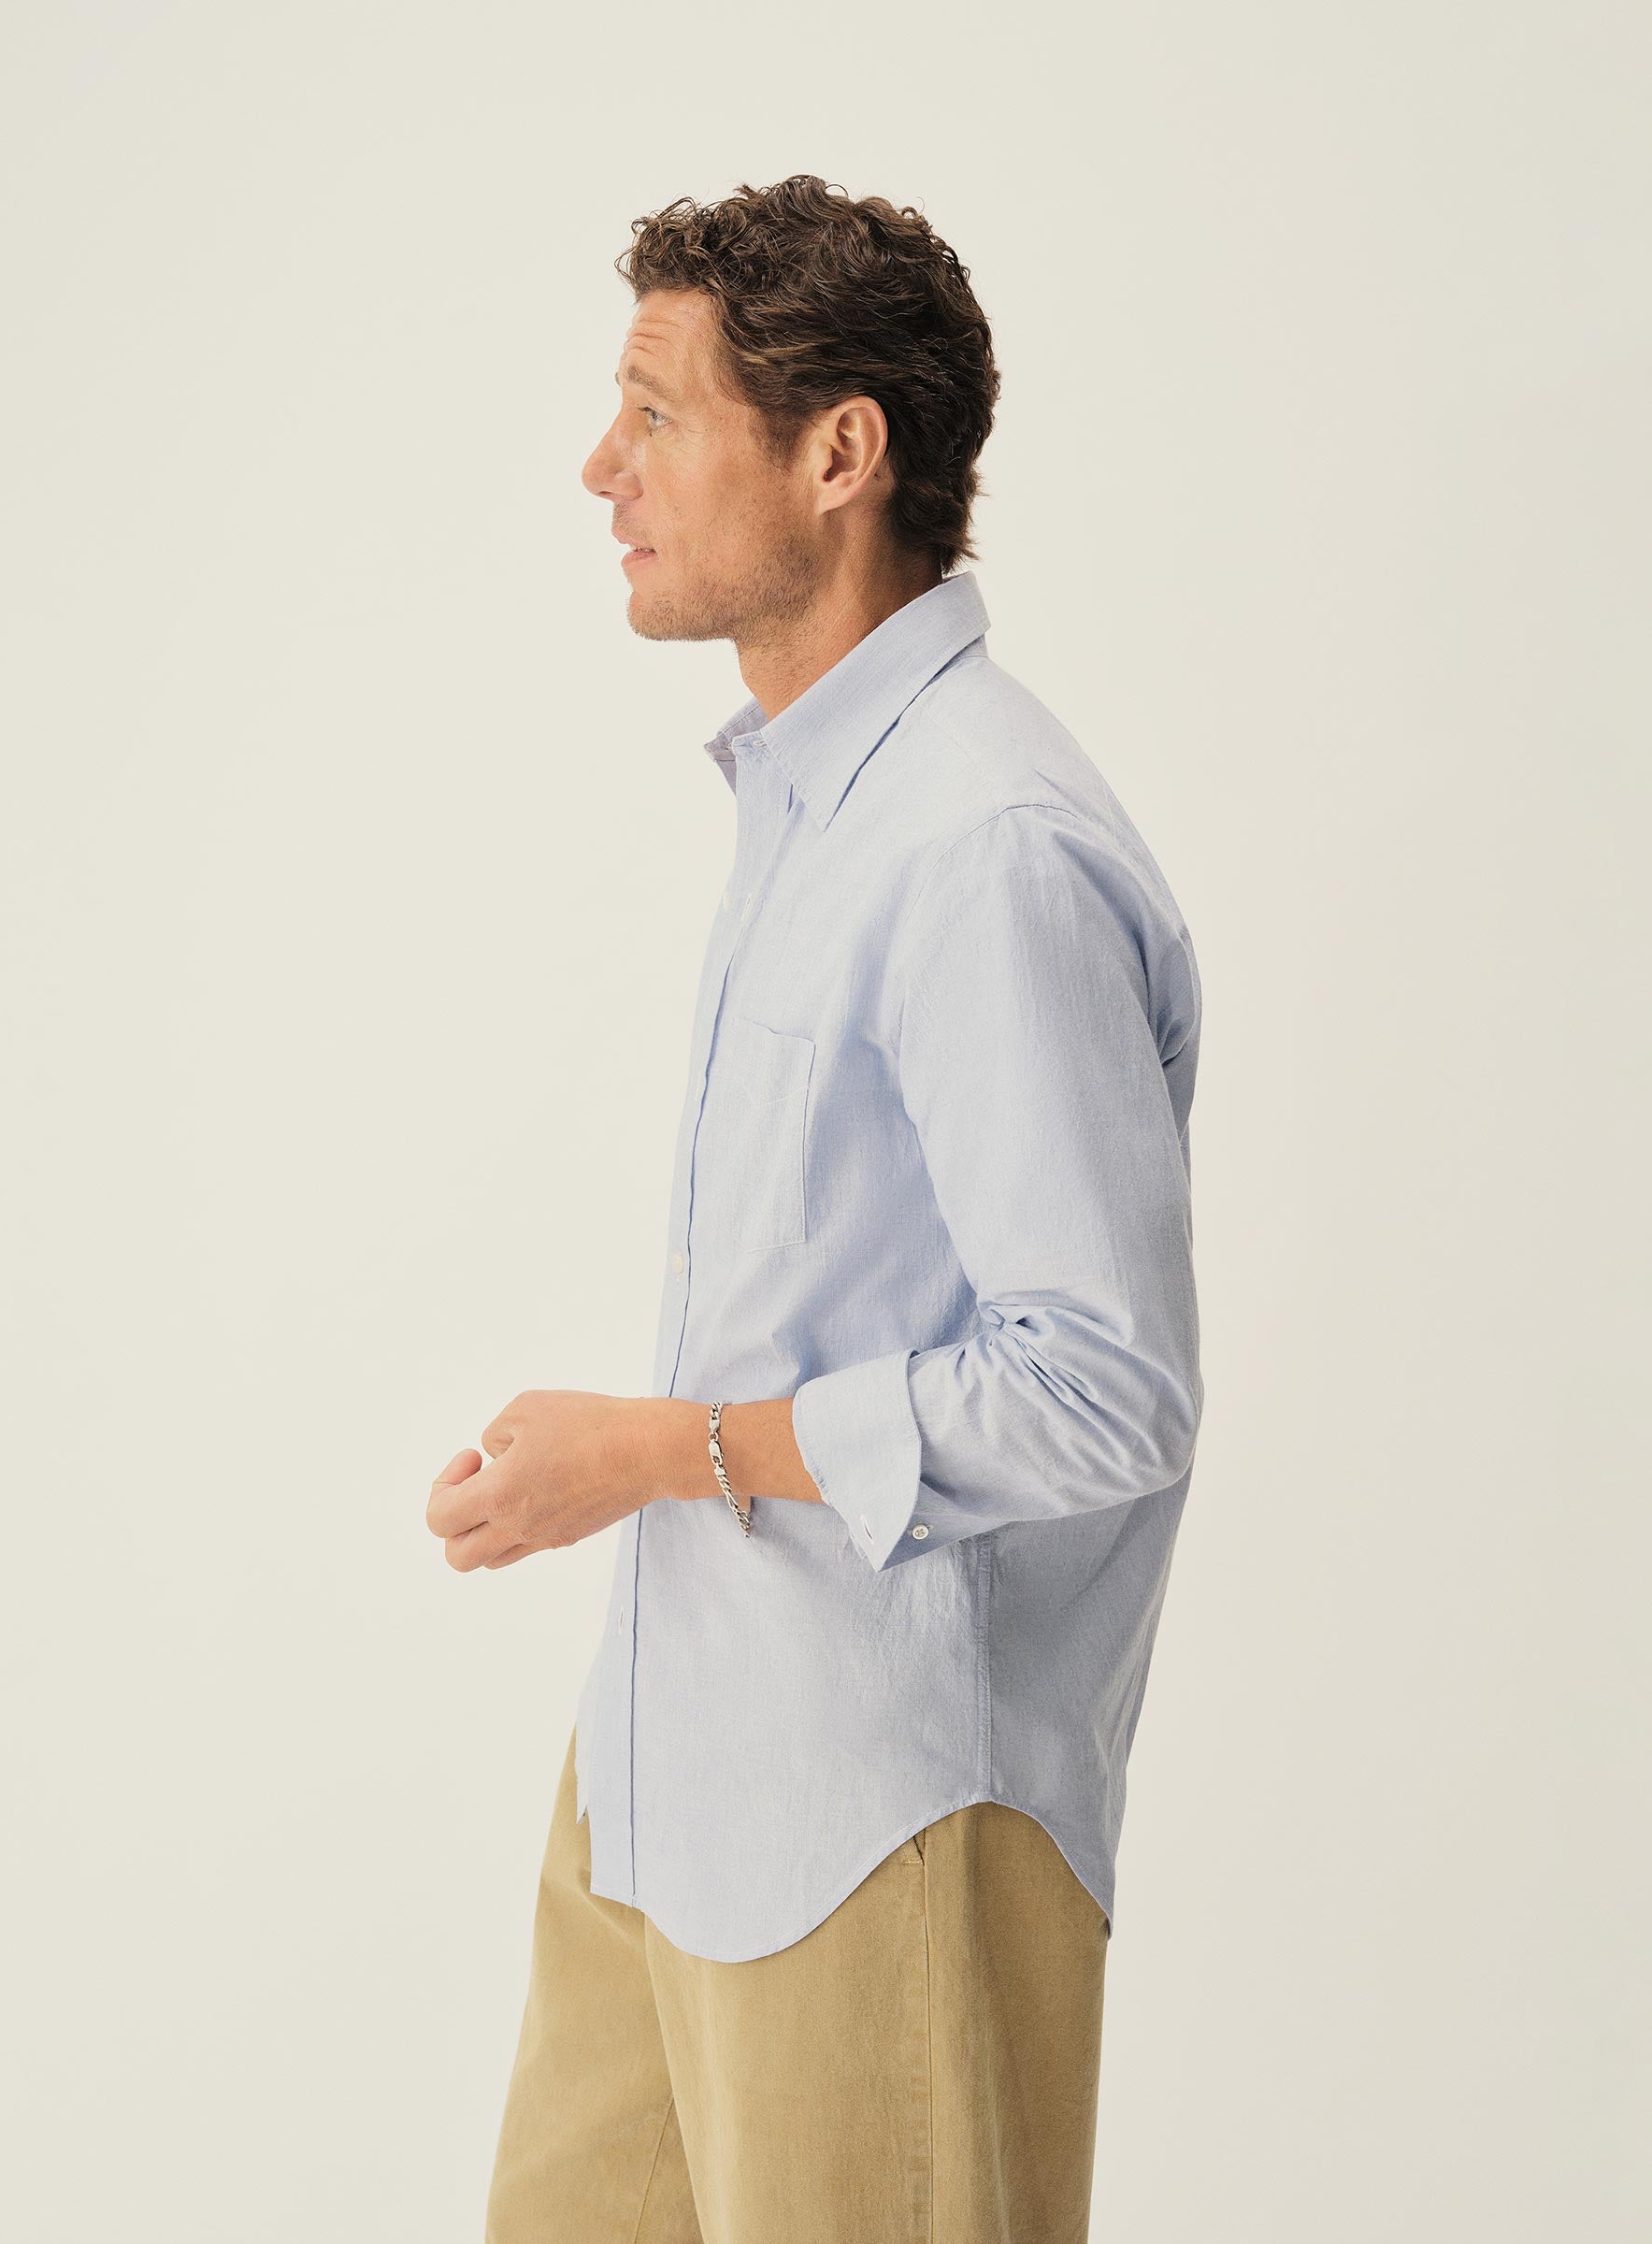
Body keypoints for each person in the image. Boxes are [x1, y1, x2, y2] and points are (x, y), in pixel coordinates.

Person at [426, 173, 1206, 2244]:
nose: (601, 469)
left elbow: (1106, 1389)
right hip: (668, 1780)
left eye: (654, 415)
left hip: (884, 1816)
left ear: (838, 453)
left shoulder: (985, 846)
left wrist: (658, 1453)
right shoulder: (814, 799)